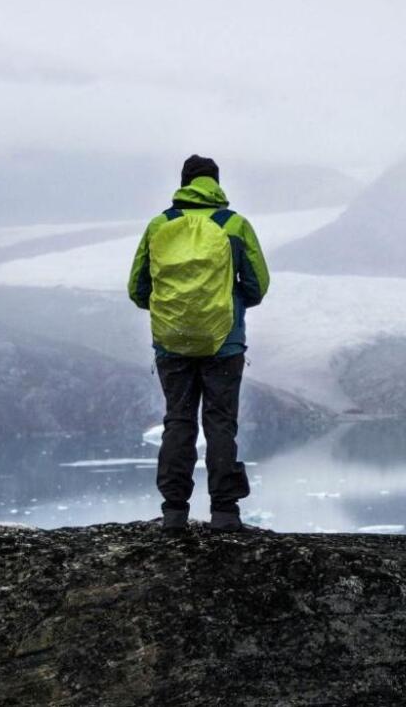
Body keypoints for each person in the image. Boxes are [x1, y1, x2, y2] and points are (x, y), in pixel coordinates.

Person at [128, 154, 271, 531]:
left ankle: (174, 511)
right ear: (216, 183)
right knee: (220, 422)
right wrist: (229, 303)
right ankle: (225, 512)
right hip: (224, 342)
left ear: (184, 182)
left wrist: (170, 313)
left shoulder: (160, 225)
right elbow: (257, 285)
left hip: (171, 343)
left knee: (178, 421)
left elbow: (137, 288)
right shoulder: (234, 225)